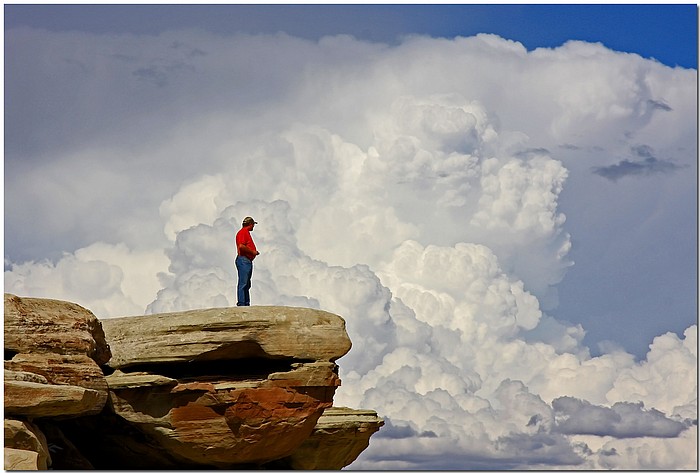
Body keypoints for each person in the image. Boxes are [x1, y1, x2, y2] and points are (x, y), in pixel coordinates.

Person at [235, 216, 259, 306]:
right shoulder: (243, 232)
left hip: (247, 260)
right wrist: (252, 252)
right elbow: (241, 246)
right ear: (250, 224)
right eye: (253, 224)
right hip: (244, 260)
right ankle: (242, 303)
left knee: (247, 283)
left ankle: (246, 303)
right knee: (243, 283)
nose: (253, 226)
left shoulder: (245, 233)